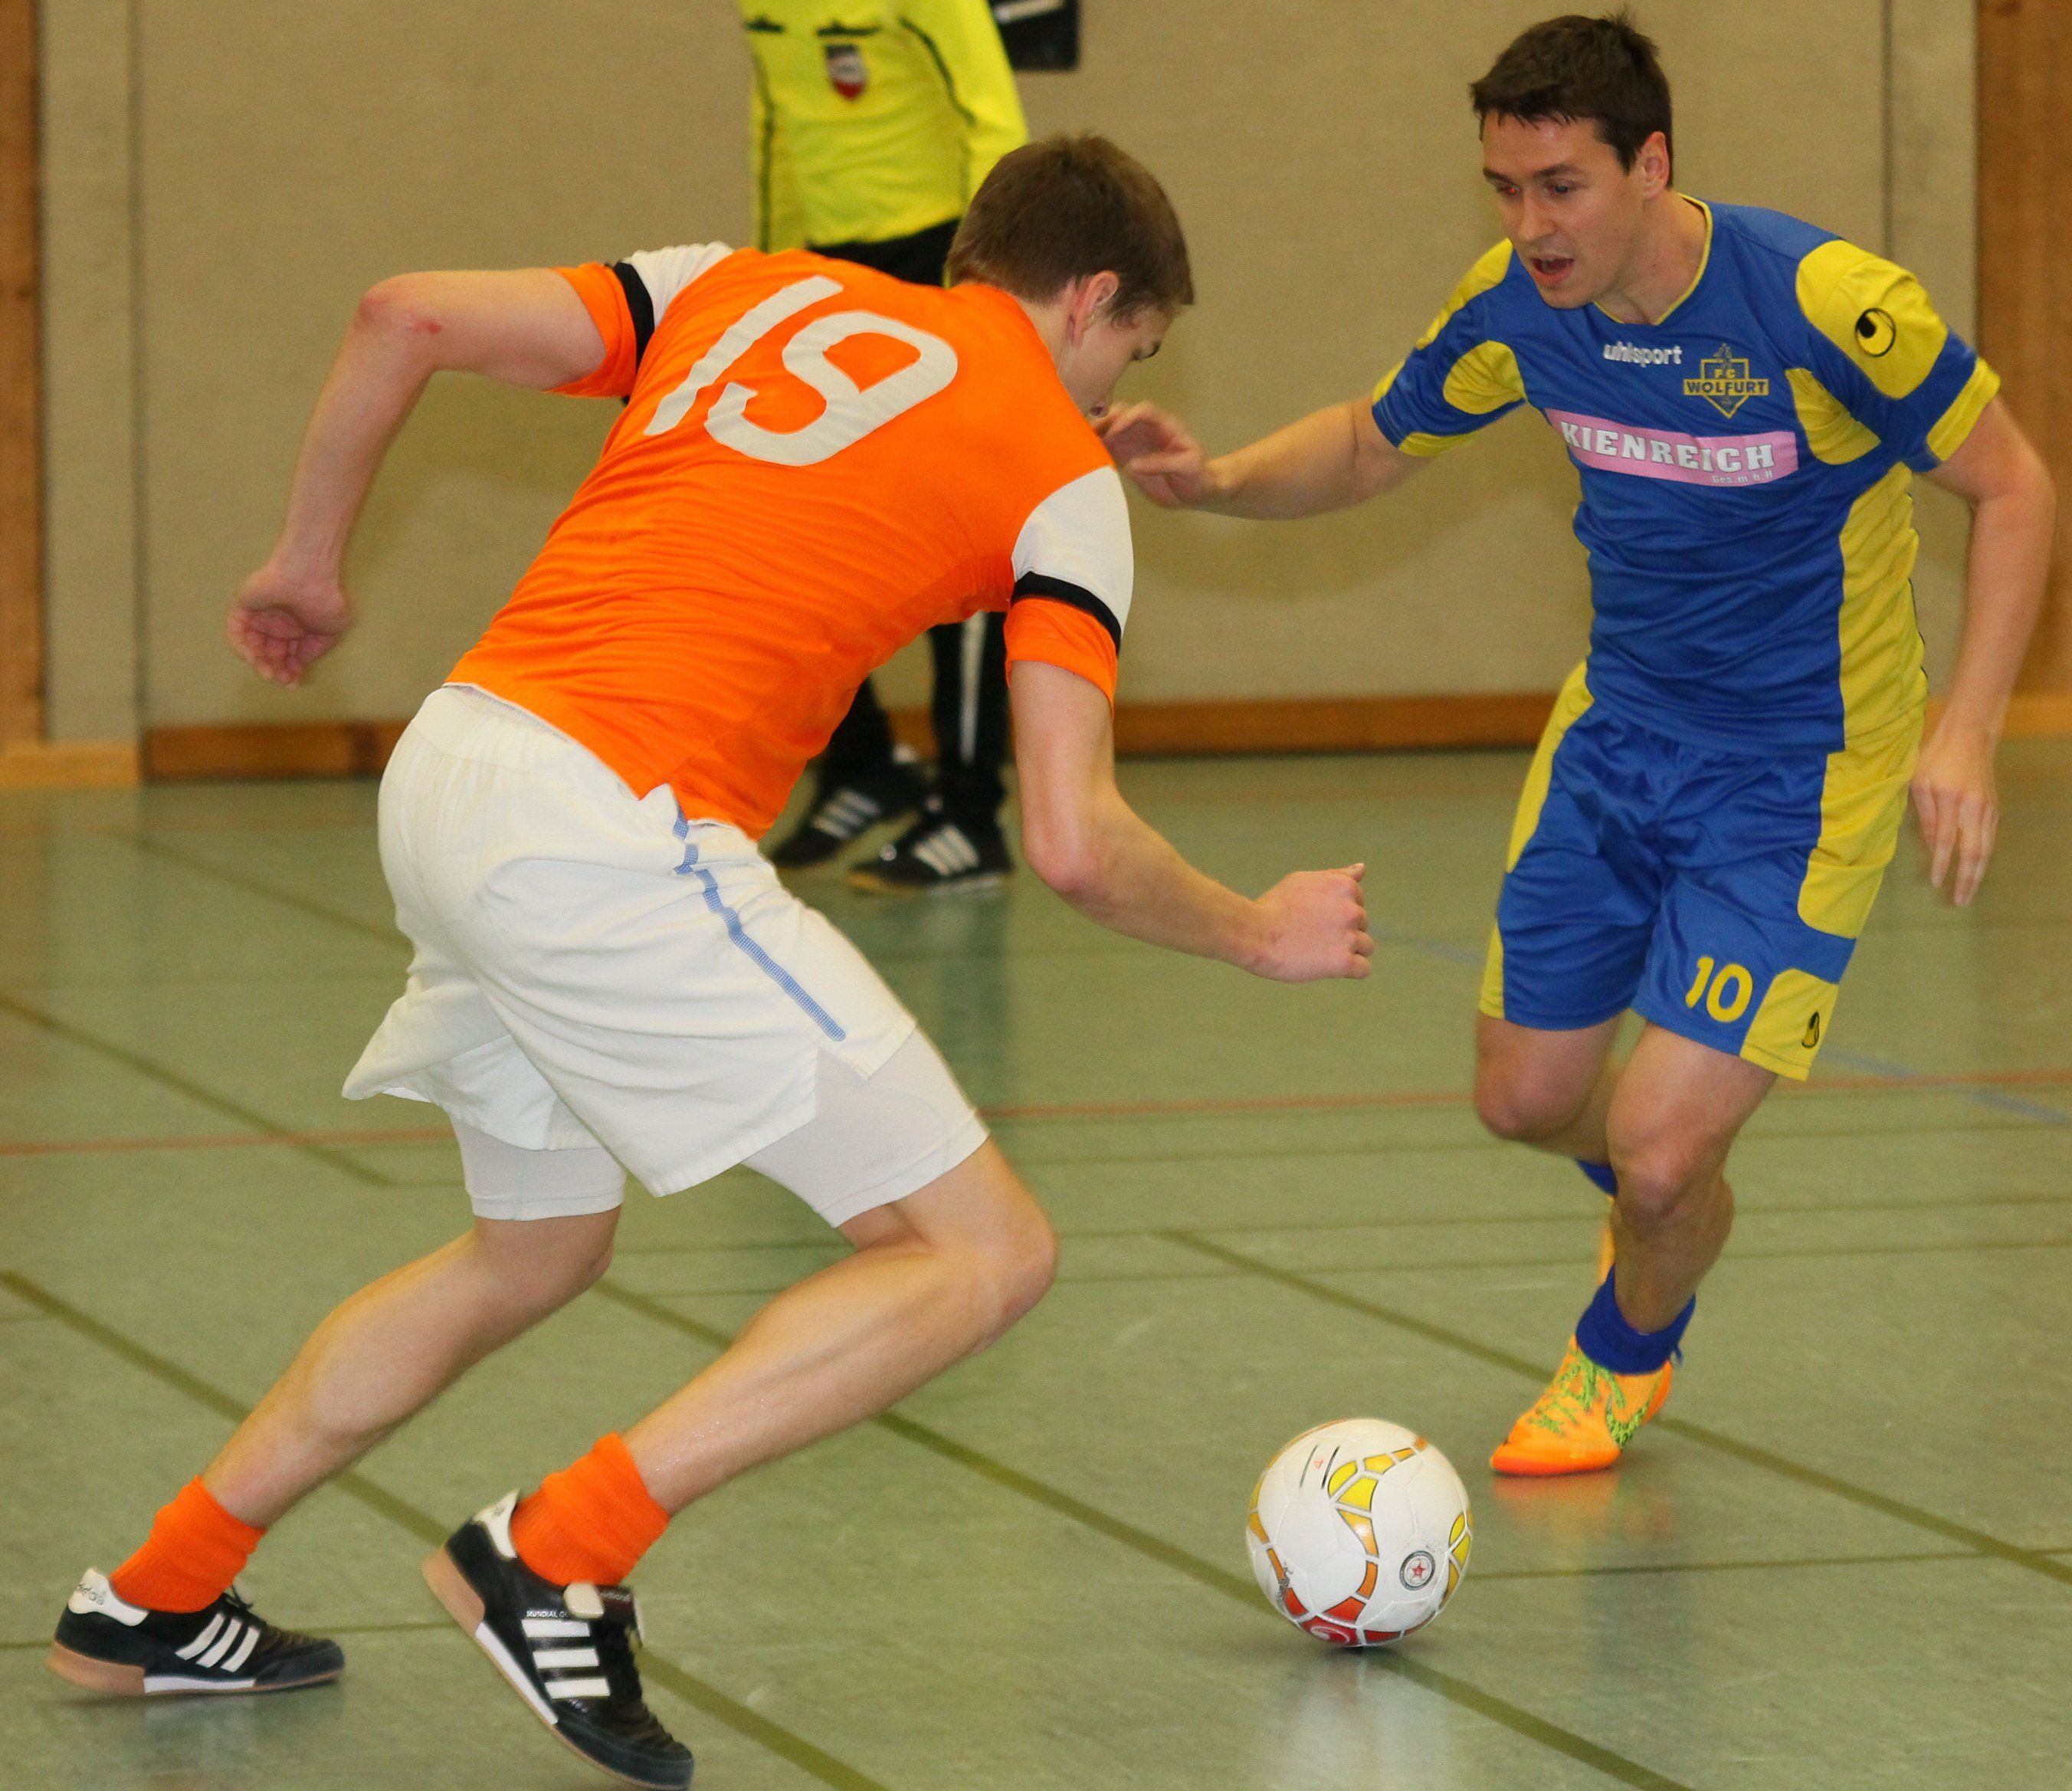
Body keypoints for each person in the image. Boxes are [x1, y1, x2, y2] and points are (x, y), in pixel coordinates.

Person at [48, 136, 1372, 1788]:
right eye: (1131, 350)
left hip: (456, 763)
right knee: (980, 1254)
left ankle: (159, 1591)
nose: (1114, 389)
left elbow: (402, 315)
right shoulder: (1061, 479)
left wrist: (308, 561)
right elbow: (1070, 838)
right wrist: (1254, 928)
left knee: (532, 1248)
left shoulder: (734, 285)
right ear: (1091, 296)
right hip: (607, 830)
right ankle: (556, 1552)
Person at [1101, 12, 2056, 1478]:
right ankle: (1669, 1198)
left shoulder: (1818, 304)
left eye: (1559, 187)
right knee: (1525, 1100)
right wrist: (1214, 479)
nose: (1528, 225)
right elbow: (1367, 441)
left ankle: (1623, 1345)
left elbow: (2012, 487)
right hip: (1615, 740)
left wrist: (1968, 729)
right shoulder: (1516, 310)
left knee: (1660, 1153)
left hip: (1797, 772)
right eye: (1503, 188)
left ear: (1648, 164)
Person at [742, 0, 1033, 891]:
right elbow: (776, 128)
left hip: (938, 256)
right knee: (792, 527)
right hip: (831, 269)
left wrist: (983, 288)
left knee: (961, 534)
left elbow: (994, 122)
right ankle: (865, 762)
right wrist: (773, 280)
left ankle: (970, 811)